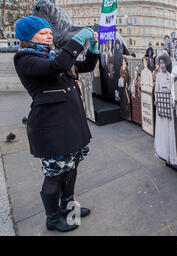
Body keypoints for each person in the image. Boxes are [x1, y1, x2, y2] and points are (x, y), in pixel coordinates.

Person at [13, 16, 98, 232]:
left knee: (71, 168)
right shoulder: (25, 59)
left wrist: (94, 49)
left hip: (71, 124)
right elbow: (58, 65)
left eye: (49, 32)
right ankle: (52, 218)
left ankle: (68, 207)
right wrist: (79, 38)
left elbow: (85, 66)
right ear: (26, 37)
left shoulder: (52, 55)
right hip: (51, 128)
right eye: (42, 33)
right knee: (54, 174)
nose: (49, 35)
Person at [154, 53, 177, 165]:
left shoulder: (170, 76)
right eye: (161, 63)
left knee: (168, 127)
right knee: (161, 126)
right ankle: (161, 150)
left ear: (166, 64)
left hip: (168, 103)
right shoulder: (158, 76)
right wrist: (156, 99)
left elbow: (172, 90)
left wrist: (172, 101)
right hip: (161, 103)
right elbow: (156, 89)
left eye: (164, 63)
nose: (162, 65)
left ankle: (169, 153)